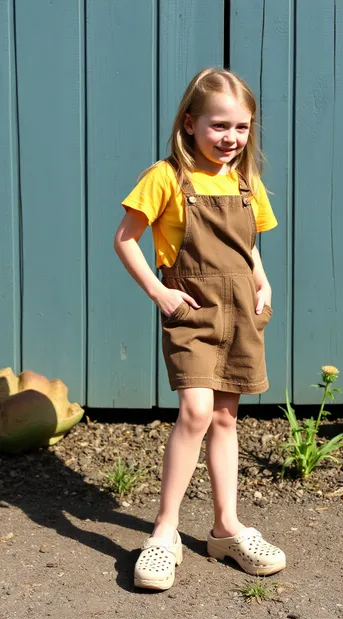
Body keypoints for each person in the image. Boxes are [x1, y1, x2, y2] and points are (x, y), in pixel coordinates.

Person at [114, 67, 286, 591]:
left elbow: (248, 244)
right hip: (193, 309)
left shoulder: (245, 180)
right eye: (219, 126)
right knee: (195, 410)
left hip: (242, 308)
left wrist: (263, 282)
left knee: (227, 417)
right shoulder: (165, 177)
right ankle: (164, 533)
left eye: (241, 127)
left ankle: (225, 528)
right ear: (189, 123)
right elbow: (125, 239)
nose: (231, 138)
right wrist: (159, 291)